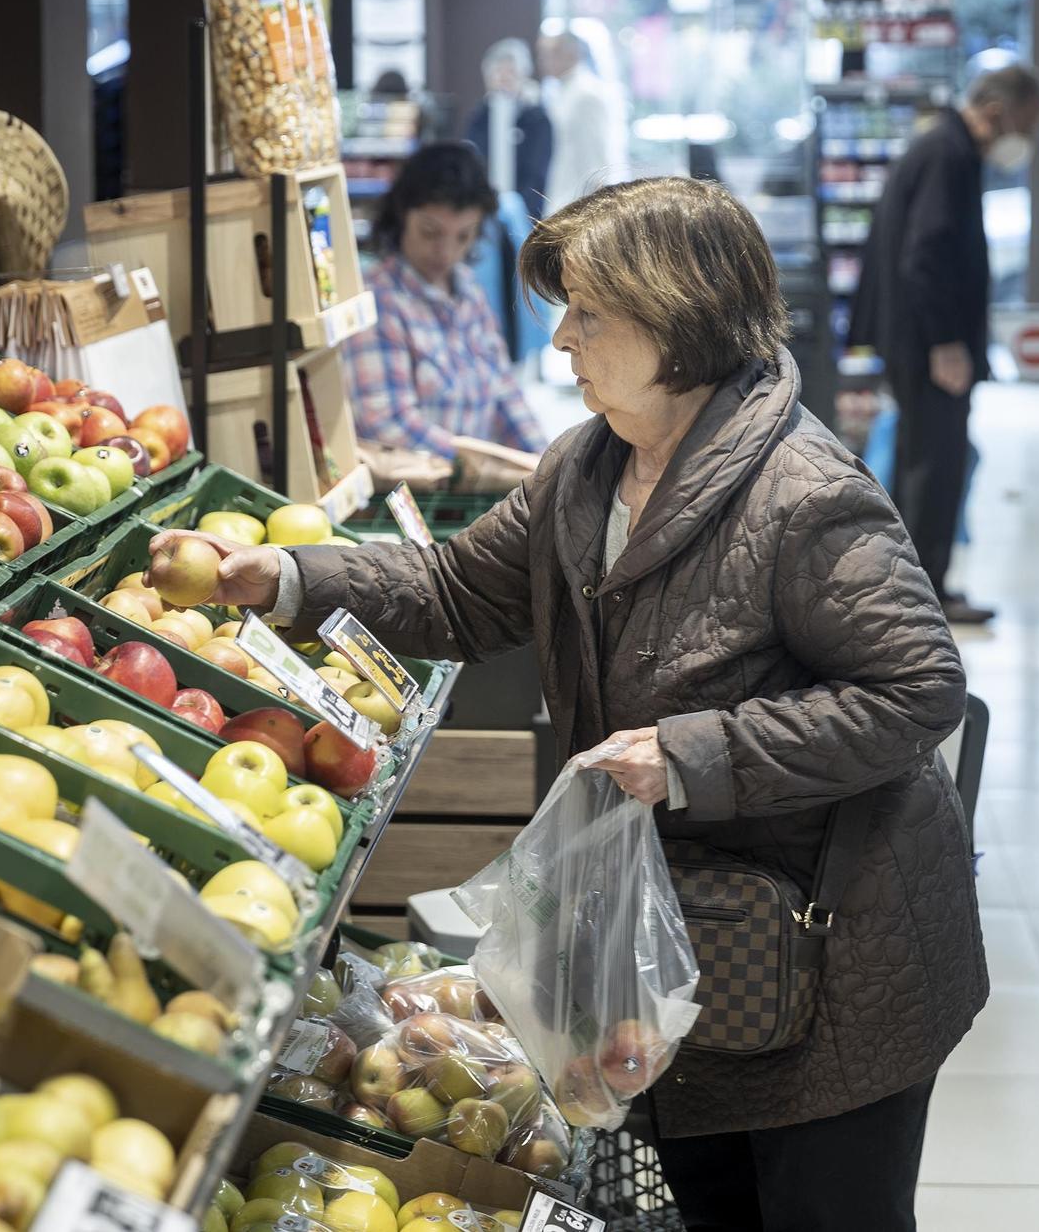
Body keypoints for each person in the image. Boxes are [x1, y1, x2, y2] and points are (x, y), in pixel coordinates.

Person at [167, 178, 985, 1231]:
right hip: (701, 952)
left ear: (676, 320)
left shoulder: (804, 494)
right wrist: (284, 579)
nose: (559, 339)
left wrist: (696, 751)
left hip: (836, 963)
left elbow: (917, 689)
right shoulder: (587, 469)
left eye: (588, 313)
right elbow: (456, 591)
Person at [851, 65, 1039, 626]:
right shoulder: (948, 154)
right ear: (994, 110)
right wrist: (946, 343)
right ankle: (923, 594)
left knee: (924, 461)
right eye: (1024, 124)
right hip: (928, 343)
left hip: (916, 339)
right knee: (935, 468)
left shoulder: (941, 146)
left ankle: (918, 591)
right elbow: (927, 255)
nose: (1023, 139)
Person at [345, 142, 547, 457]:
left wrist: (547, 467)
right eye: (430, 232)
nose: (446, 251)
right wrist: (480, 463)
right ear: (402, 215)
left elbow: (505, 393)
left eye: (463, 236)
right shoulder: (377, 301)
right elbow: (385, 422)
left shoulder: (468, 290)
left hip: (471, 490)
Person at [537, 26, 628, 213]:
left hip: (578, 202)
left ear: (571, 53)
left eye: (550, 54)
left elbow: (597, 156)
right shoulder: (562, 91)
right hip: (563, 197)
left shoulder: (587, 94)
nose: (543, 62)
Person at [465, 38, 554, 223]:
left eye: (511, 72)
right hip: (484, 211)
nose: (504, 78)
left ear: (523, 75)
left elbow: (537, 174)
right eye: (498, 72)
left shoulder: (537, 118)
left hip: (526, 213)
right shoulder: (479, 117)